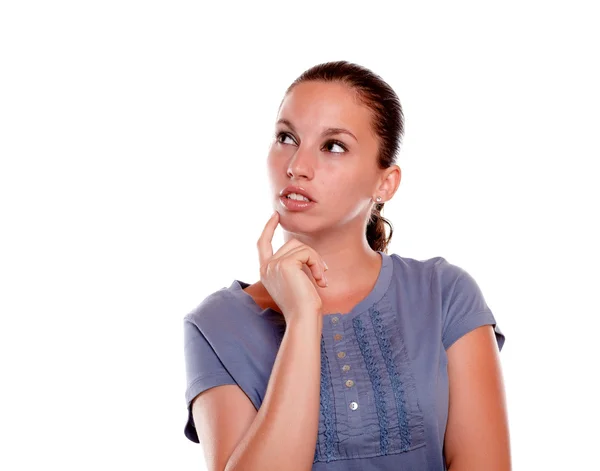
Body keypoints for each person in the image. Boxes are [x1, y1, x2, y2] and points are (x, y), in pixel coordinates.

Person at [182, 60, 511, 471]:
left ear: (385, 182)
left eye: (333, 146)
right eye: (286, 137)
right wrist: (302, 318)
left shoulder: (445, 295)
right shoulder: (216, 325)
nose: (297, 166)